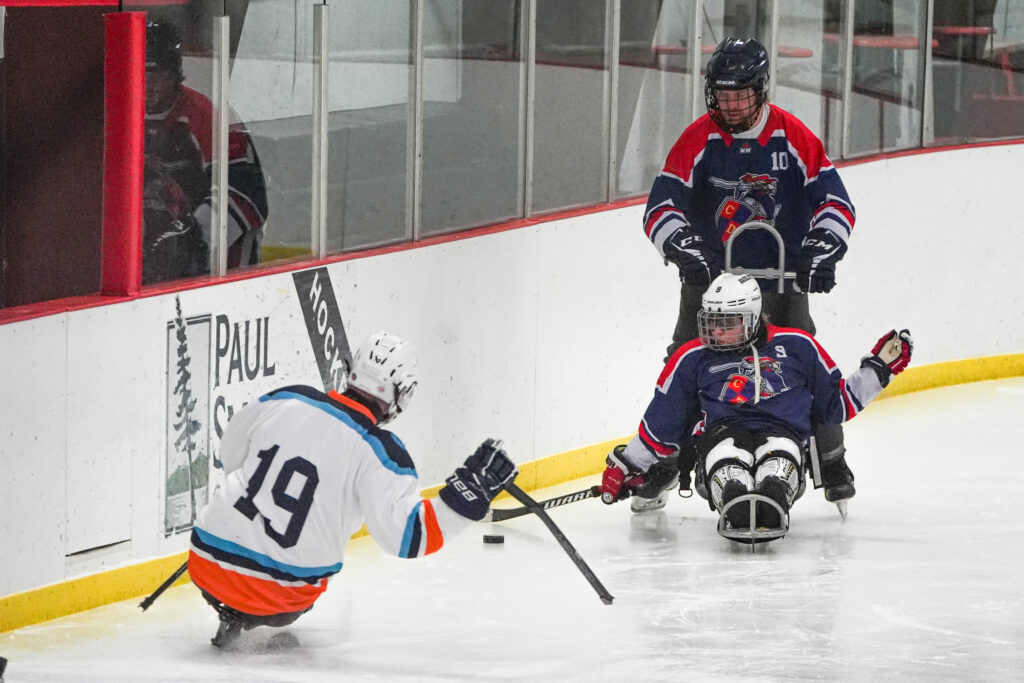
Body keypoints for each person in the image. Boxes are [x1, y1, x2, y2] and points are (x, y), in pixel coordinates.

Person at [187, 331, 518, 647]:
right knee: (308, 579)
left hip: (203, 559)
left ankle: (231, 604)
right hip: (280, 596)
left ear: (351, 371)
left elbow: (231, 455)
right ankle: (246, 610)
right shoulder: (381, 452)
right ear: (403, 392)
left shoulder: (287, 397)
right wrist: (467, 496)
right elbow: (408, 537)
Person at [640, 36, 858, 510]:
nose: (731, 105)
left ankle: (832, 459)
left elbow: (835, 201)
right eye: (723, 96)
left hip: (782, 282)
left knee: (807, 364)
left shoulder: (791, 136)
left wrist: (824, 247)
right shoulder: (697, 138)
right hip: (713, 287)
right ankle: (663, 463)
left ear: (760, 91)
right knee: (685, 364)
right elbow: (661, 205)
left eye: (740, 95)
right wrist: (682, 246)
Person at [599, 273, 912, 537]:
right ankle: (733, 498)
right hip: (720, 436)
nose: (716, 331)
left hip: (783, 434)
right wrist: (627, 464)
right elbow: (662, 422)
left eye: (727, 323)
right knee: (728, 470)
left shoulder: (797, 345)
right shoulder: (692, 356)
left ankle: (775, 495)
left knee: (777, 472)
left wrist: (878, 369)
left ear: (751, 318)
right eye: (711, 322)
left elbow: (835, 405)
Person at [143, 21, 269, 285]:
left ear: (176, 76)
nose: (150, 85)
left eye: (159, 76)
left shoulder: (207, 117)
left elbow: (246, 192)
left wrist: (194, 238)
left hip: (216, 252)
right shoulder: (117, 112)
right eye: (143, 75)